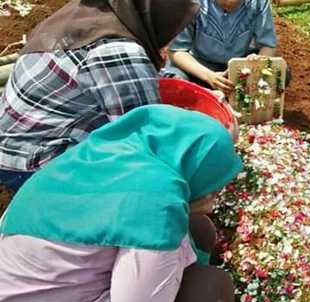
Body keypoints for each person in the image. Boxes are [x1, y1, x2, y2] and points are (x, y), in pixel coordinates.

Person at [0, 104, 243, 302]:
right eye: (213, 189)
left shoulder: (113, 151)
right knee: (211, 292)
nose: (213, 200)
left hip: (25, 292)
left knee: (199, 228)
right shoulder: (156, 194)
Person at [0, 0, 199, 192]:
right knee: (140, 174)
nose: (172, 39)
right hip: (31, 165)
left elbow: (137, 76)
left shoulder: (91, 16)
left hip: (13, 143)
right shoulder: (117, 49)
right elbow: (145, 139)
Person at [166, 0, 278, 94]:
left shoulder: (258, 3)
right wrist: (209, 76)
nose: (229, 5)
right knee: (174, 80)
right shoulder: (192, 3)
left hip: (239, 68)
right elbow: (176, 51)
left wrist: (257, 62)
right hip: (199, 67)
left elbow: (268, 45)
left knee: (278, 71)